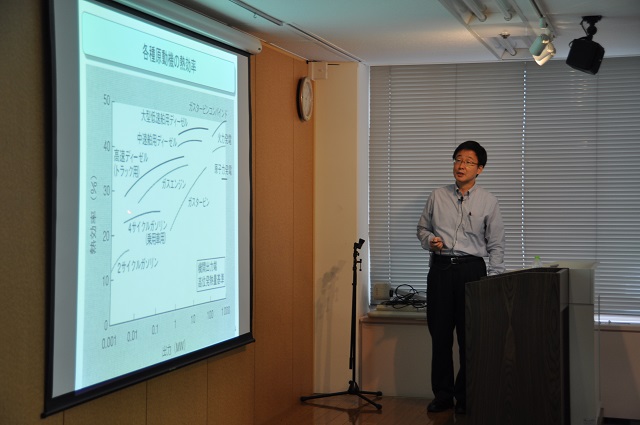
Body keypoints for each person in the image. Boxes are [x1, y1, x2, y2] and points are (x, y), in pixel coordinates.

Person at [416, 140, 505, 415]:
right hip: (441, 271)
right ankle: (443, 396)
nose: (461, 165)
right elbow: (422, 229)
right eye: (458, 159)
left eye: (468, 161)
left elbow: (496, 245)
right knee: (440, 336)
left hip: (472, 271)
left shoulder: (489, 201)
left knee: (470, 339)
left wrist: (494, 280)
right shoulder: (437, 196)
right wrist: (430, 241)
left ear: (480, 169)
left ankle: (466, 396)